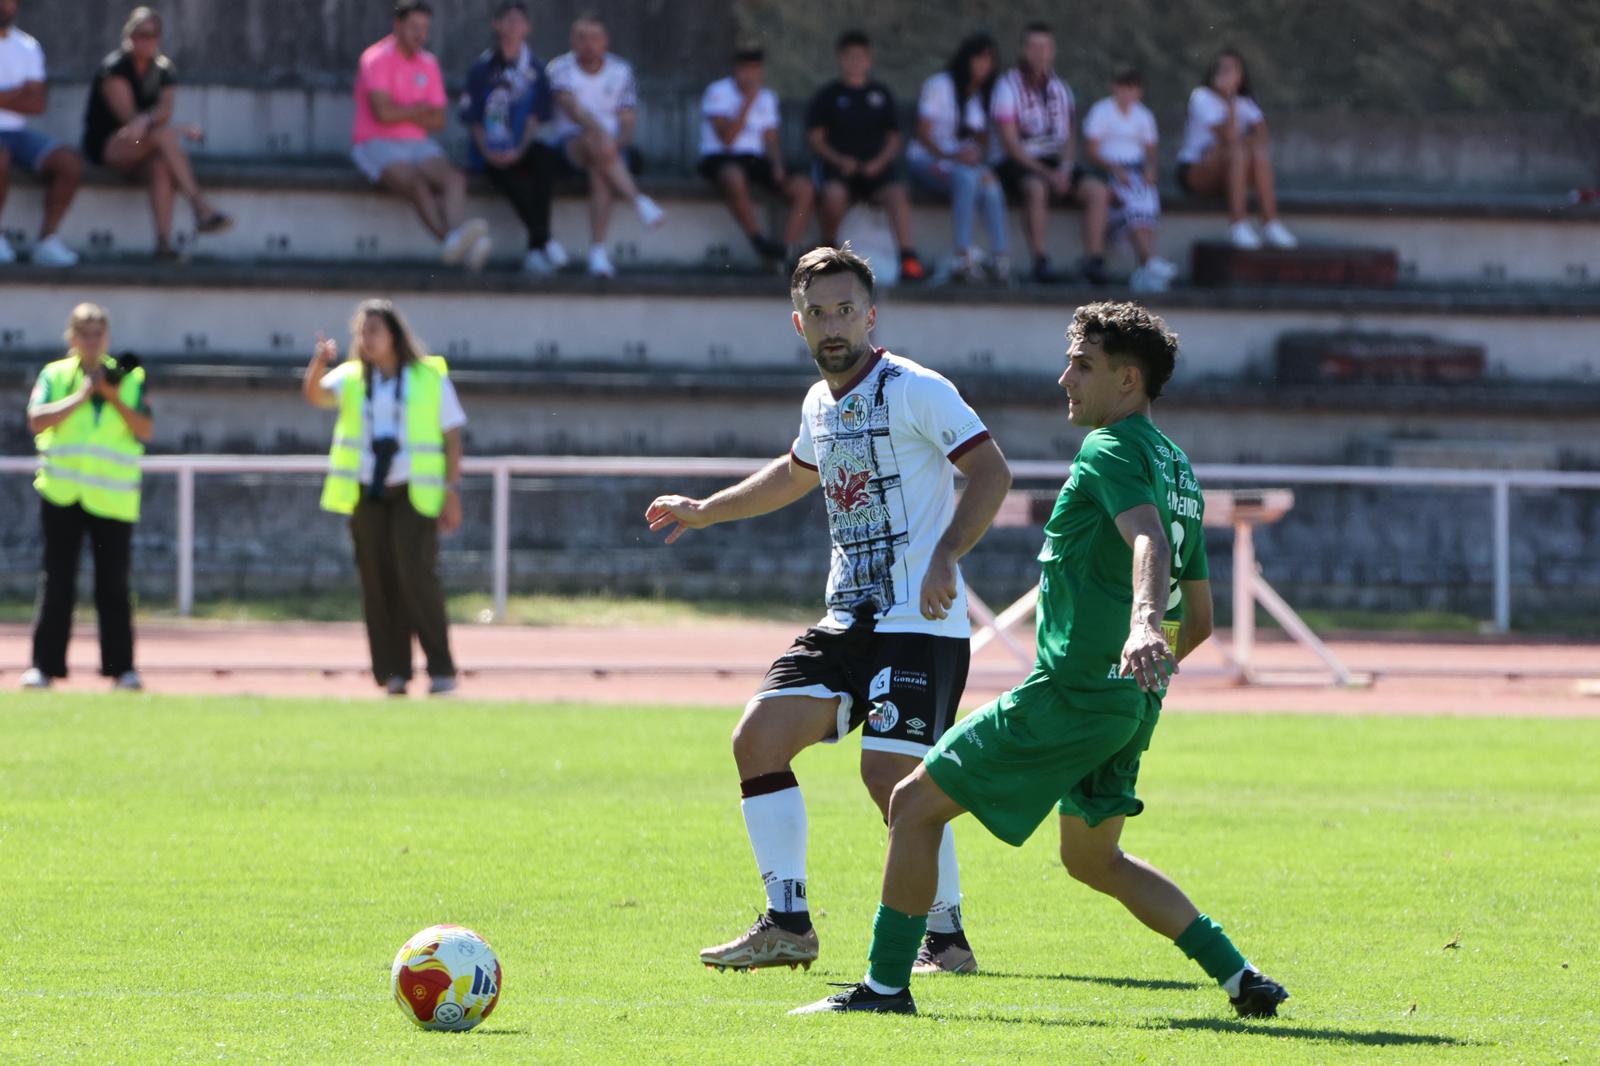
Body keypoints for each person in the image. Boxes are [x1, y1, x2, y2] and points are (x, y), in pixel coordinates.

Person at [792, 301, 1290, 1019]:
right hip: (1127, 704)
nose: (1065, 378)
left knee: (911, 803)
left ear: (1128, 381)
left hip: (1071, 694)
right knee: (1093, 859)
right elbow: (1204, 620)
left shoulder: (1110, 450)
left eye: (1082, 365)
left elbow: (1145, 538)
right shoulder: (1177, 466)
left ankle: (884, 987)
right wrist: (1141, 664)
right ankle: (1240, 977)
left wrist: (1140, 625)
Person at [646, 244, 1013, 976]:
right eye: (818, 313)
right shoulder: (820, 403)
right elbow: (794, 473)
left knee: (891, 781)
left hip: (920, 625)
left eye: (845, 310)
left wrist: (946, 556)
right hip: (846, 621)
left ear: (871, 316)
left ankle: (946, 939)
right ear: (799, 323)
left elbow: (991, 471)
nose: (832, 324)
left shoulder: (917, 388)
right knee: (756, 739)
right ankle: (788, 926)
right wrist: (707, 511)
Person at [303, 299, 464, 697]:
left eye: (374, 330)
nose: (366, 338)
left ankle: (441, 668)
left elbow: (452, 436)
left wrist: (450, 490)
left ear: (394, 334)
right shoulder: (353, 377)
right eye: (362, 331)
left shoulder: (428, 375)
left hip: (413, 488)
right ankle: (393, 672)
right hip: (367, 490)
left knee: (416, 577)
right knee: (376, 579)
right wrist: (318, 363)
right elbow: (316, 396)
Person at [20, 303, 152, 692]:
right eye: (84, 333)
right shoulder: (55, 375)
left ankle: (121, 669)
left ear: (107, 337)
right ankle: (45, 667)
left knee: (113, 585)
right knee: (57, 582)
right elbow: (36, 419)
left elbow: (145, 427)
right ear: (72, 337)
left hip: (111, 499)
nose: (92, 341)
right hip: (62, 495)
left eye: (98, 333)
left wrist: (110, 395)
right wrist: (80, 396)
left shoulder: (128, 375)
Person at [81, 6, 231, 261]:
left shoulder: (163, 70)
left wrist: (155, 121)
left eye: (152, 35)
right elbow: (130, 123)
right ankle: (198, 205)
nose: (146, 40)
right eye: (140, 34)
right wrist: (173, 128)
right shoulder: (114, 69)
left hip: (144, 143)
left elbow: (162, 112)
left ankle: (163, 244)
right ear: (129, 36)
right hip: (111, 144)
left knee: (161, 166)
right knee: (165, 137)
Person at [353, 1, 490, 271]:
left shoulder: (428, 63)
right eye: (414, 27)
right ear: (398, 26)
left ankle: (455, 241)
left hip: (417, 144)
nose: (420, 34)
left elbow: (438, 120)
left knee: (454, 179)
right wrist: (418, 110)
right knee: (417, 185)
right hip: (376, 142)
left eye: (425, 28)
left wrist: (401, 111)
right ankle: (453, 240)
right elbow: (382, 114)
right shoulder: (376, 58)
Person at [545, 13, 665, 278]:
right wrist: (603, 136)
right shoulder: (560, 68)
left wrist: (612, 143)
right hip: (571, 145)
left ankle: (597, 253)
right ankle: (638, 201)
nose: (589, 44)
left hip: (608, 151)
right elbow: (573, 110)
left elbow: (628, 124)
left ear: (606, 41)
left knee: (600, 171)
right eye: (582, 37)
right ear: (572, 41)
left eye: (595, 37)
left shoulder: (622, 71)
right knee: (593, 141)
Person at [991, 22, 1111, 285]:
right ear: (1023, 50)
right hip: (1019, 161)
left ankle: (1093, 259)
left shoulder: (1061, 88)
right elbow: (1010, 144)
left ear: (1053, 50)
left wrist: (1065, 169)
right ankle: (1040, 259)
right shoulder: (1006, 87)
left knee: (1097, 190)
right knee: (1036, 188)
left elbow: (1068, 136)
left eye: (1044, 46)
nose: (1039, 52)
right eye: (1033, 46)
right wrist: (1047, 173)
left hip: (1055, 161)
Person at [806, 31, 926, 281]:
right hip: (840, 169)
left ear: (869, 60)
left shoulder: (881, 94)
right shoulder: (828, 95)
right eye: (850, 57)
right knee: (833, 195)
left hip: (875, 170)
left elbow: (894, 138)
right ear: (840, 59)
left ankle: (908, 258)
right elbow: (816, 139)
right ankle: (828, 254)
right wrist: (840, 160)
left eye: (861, 57)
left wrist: (878, 163)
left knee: (898, 194)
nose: (855, 62)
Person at [459, 0, 566, 276]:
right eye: (508, 20)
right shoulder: (481, 69)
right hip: (488, 150)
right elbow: (473, 120)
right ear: (496, 24)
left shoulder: (536, 70)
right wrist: (488, 150)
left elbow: (534, 119)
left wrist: (519, 149)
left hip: (521, 145)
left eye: (519, 21)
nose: (513, 26)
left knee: (543, 161)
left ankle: (536, 246)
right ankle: (544, 240)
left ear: (528, 27)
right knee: (505, 172)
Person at [698, 45, 815, 268]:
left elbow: (770, 138)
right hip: (721, 157)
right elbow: (727, 139)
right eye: (746, 69)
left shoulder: (768, 97)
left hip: (754, 158)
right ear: (736, 70)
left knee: (805, 188)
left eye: (756, 70)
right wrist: (747, 102)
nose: (751, 76)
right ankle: (758, 240)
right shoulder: (718, 92)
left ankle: (787, 251)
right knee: (733, 176)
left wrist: (777, 165)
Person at [906, 33, 1008, 283]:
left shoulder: (984, 95)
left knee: (991, 184)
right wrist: (952, 156)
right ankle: (962, 254)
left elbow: (981, 140)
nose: (983, 66)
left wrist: (975, 156)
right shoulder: (940, 85)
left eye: (989, 60)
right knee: (966, 178)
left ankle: (1000, 258)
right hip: (927, 160)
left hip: (964, 165)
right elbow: (923, 133)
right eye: (979, 59)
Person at [1175, 49, 1297, 250]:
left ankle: (1270, 223)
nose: (1228, 74)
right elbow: (1229, 136)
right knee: (1237, 151)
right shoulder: (1201, 97)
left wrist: (1245, 139)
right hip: (1197, 171)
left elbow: (1262, 137)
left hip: (1231, 172)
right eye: (1223, 69)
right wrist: (1229, 100)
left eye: (1233, 70)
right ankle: (1237, 224)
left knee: (1256, 153)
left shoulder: (1246, 102)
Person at [0, 0, 81, 267]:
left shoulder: (27, 46)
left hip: (18, 133)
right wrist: (18, 92)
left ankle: (47, 241)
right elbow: (29, 96)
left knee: (69, 163)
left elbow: (37, 103)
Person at [1083, 68, 1176, 292]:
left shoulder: (1144, 115)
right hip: (1109, 174)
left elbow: (1150, 150)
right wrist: (1115, 169)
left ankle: (1146, 267)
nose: (1126, 93)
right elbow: (1092, 150)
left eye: (1131, 88)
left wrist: (1150, 169)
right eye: (1122, 87)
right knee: (1132, 207)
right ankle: (1150, 264)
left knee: (1146, 203)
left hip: (1136, 173)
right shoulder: (1101, 111)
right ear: (1114, 87)